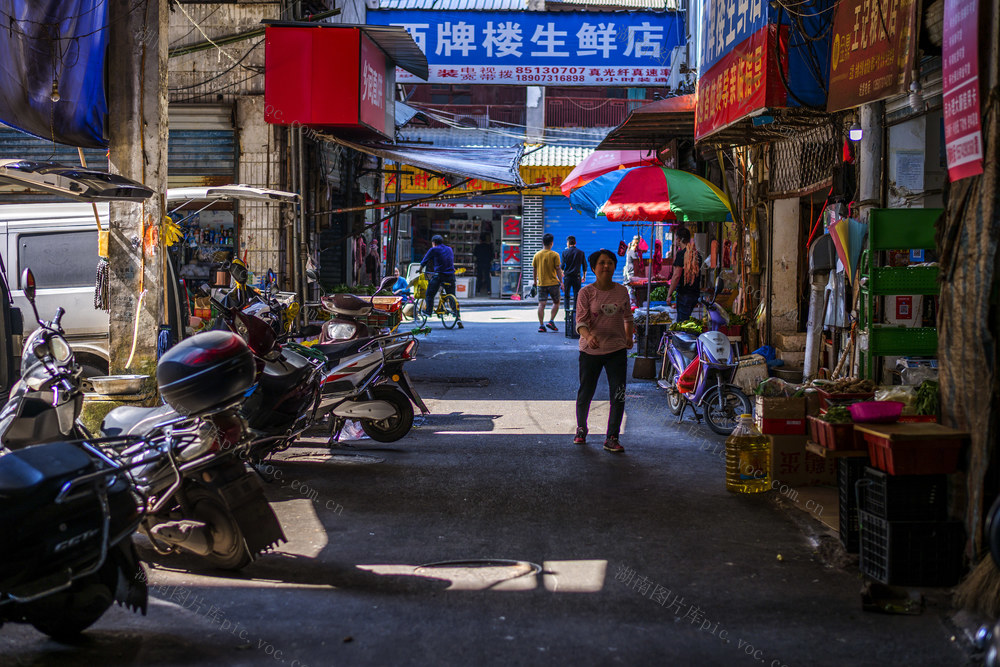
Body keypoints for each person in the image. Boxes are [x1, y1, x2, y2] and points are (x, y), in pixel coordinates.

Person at [574, 249, 634, 453]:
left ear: (614, 266)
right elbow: (580, 322)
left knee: (618, 394)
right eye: (601, 263)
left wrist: (629, 336)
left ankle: (612, 437)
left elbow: (628, 317)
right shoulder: (586, 293)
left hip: (616, 350)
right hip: (590, 352)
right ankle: (581, 428)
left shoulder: (621, 291)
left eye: (610, 262)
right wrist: (589, 337)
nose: (606, 266)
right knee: (586, 392)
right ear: (593, 268)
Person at [419, 235, 464, 329]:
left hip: (440, 275)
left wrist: (419, 269)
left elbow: (424, 261)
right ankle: (458, 317)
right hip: (451, 276)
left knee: (429, 294)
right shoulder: (449, 249)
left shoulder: (434, 249)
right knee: (452, 296)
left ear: (433, 242)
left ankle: (428, 312)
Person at [668, 226, 702, 322]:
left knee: (682, 325)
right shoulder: (697, 255)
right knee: (689, 324)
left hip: (684, 295)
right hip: (695, 294)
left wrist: (669, 294)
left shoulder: (680, 254)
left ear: (679, 240)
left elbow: (676, 276)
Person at [531, 233, 563, 332]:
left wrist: (535, 282)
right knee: (556, 302)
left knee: (541, 304)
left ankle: (541, 325)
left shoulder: (537, 255)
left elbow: (534, 269)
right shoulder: (555, 255)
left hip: (541, 284)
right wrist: (561, 282)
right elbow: (558, 269)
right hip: (553, 283)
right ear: (551, 243)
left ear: (542, 242)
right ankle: (551, 321)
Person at [561, 235, 586, 312]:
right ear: (575, 243)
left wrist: (562, 274)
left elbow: (562, 266)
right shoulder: (580, 252)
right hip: (577, 277)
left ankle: (567, 312)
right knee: (577, 295)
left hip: (567, 277)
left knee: (566, 296)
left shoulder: (565, 252)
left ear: (568, 243)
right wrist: (584, 276)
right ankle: (575, 312)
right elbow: (584, 265)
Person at [621, 236, 643, 306]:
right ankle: (632, 305)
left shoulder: (631, 251)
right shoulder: (631, 252)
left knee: (631, 290)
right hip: (630, 274)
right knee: (630, 291)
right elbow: (636, 261)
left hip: (630, 273)